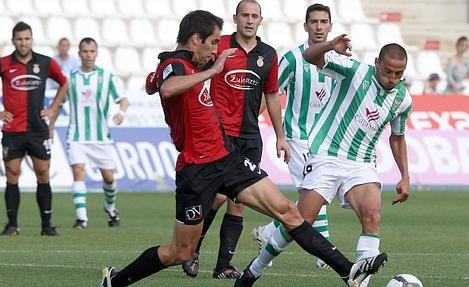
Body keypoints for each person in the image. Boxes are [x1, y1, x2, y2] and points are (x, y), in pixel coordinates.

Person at [100, 10, 386, 287]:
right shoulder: (175, 64)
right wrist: (211, 70)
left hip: (228, 158)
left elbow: (153, 84)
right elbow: (167, 88)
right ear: (196, 39)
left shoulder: (190, 63)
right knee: (180, 252)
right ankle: (115, 280)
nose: (216, 49)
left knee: (288, 211)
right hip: (196, 168)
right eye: (213, 42)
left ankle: (348, 271)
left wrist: (177, 74)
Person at [236, 37, 410, 287]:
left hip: (361, 163)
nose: (392, 78)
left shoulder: (402, 99)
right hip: (326, 156)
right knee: (299, 221)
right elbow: (309, 57)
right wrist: (330, 47)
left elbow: (397, 137)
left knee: (372, 215)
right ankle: (255, 269)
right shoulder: (355, 71)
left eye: (398, 73)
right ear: (376, 64)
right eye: (387, 71)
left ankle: (360, 283)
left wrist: (405, 175)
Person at [181, 0, 290, 279]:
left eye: (254, 16)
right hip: (220, 135)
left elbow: (272, 95)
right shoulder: (221, 46)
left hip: (250, 137)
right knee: (216, 197)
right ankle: (192, 250)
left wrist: (280, 136)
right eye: (245, 15)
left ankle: (223, 265)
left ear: (260, 20)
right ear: (236, 18)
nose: (249, 20)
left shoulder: (268, 54)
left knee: (238, 202)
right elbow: (194, 66)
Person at [251, 3, 336, 269]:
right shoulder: (292, 59)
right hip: (297, 138)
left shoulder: (338, 60)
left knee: (313, 196)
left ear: (330, 26)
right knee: (315, 192)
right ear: (306, 26)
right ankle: (324, 249)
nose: (319, 27)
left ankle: (269, 232)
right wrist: (250, 120)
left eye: (324, 22)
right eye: (314, 22)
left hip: (325, 143)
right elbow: (272, 92)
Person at [0, 21, 68, 236]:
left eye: (27, 38)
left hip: (38, 129)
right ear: (13, 41)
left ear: (32, 39)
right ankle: (12, 225)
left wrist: (53, 108)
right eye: (19, 39)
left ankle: (46, 225)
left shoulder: (45, 62)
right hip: (12, 130)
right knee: (12, 174)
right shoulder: (3, 63)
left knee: (43, 174)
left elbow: (64, 83)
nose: (23, 43)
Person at [66, 37, 129, 229]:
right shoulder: (69, 78)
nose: (88, 55)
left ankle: (110, 208)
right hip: (77, 136)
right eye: (85, 51)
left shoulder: (107, 76)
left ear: (96, 53)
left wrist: (121, 112)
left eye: (92, 51)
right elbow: (58, 101)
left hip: (101, 137)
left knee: (109, 179)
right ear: (79, 54)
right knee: (78, 172)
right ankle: (81, 219)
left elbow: (123, 99)